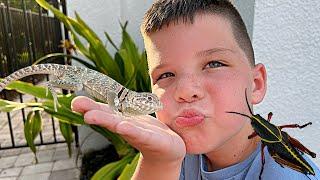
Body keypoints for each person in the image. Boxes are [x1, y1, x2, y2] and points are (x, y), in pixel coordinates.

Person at [71, 0, 320, 179]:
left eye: (214, 63)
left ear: (256, 84)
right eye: (166, 75)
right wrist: (159, 163)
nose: (186, 91)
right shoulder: (172, 150)